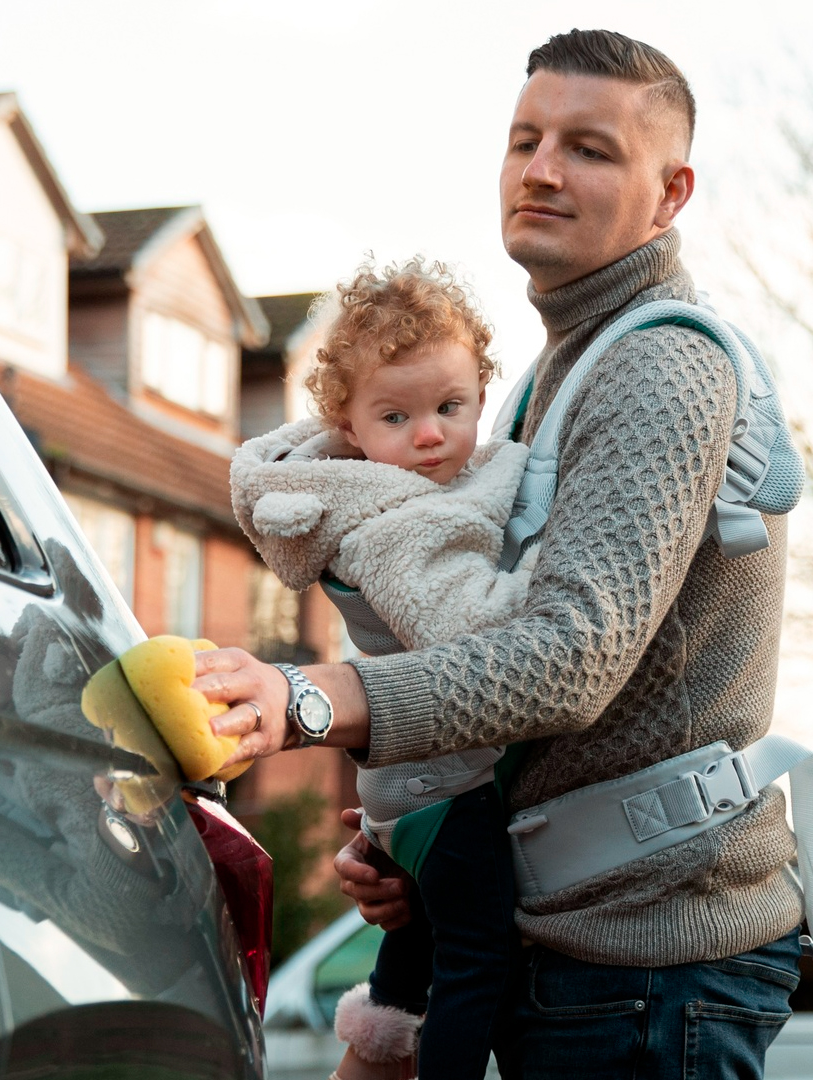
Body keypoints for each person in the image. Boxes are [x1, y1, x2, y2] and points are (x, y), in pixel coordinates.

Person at [196, 28, 804, 1080]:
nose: (542, 169)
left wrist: (312, 700)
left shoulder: (660, 366)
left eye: (590, 148)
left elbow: (569, 657)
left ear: (672, 193)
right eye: (525, 138)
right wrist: (421, 849)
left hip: (652, 971)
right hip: (573, 948)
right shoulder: (537, 383)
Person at [231, 258, 533, 1080]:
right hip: (442, 781)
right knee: (478, 956)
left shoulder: (378, 493)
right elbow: (472, 630)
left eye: (451, 407)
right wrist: (556, 585)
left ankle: (367, 1063)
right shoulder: (391, 525)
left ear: (480, 389)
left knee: (409, 960)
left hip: (399, 785)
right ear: (350, 428)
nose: (430, 434)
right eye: (396, 416)